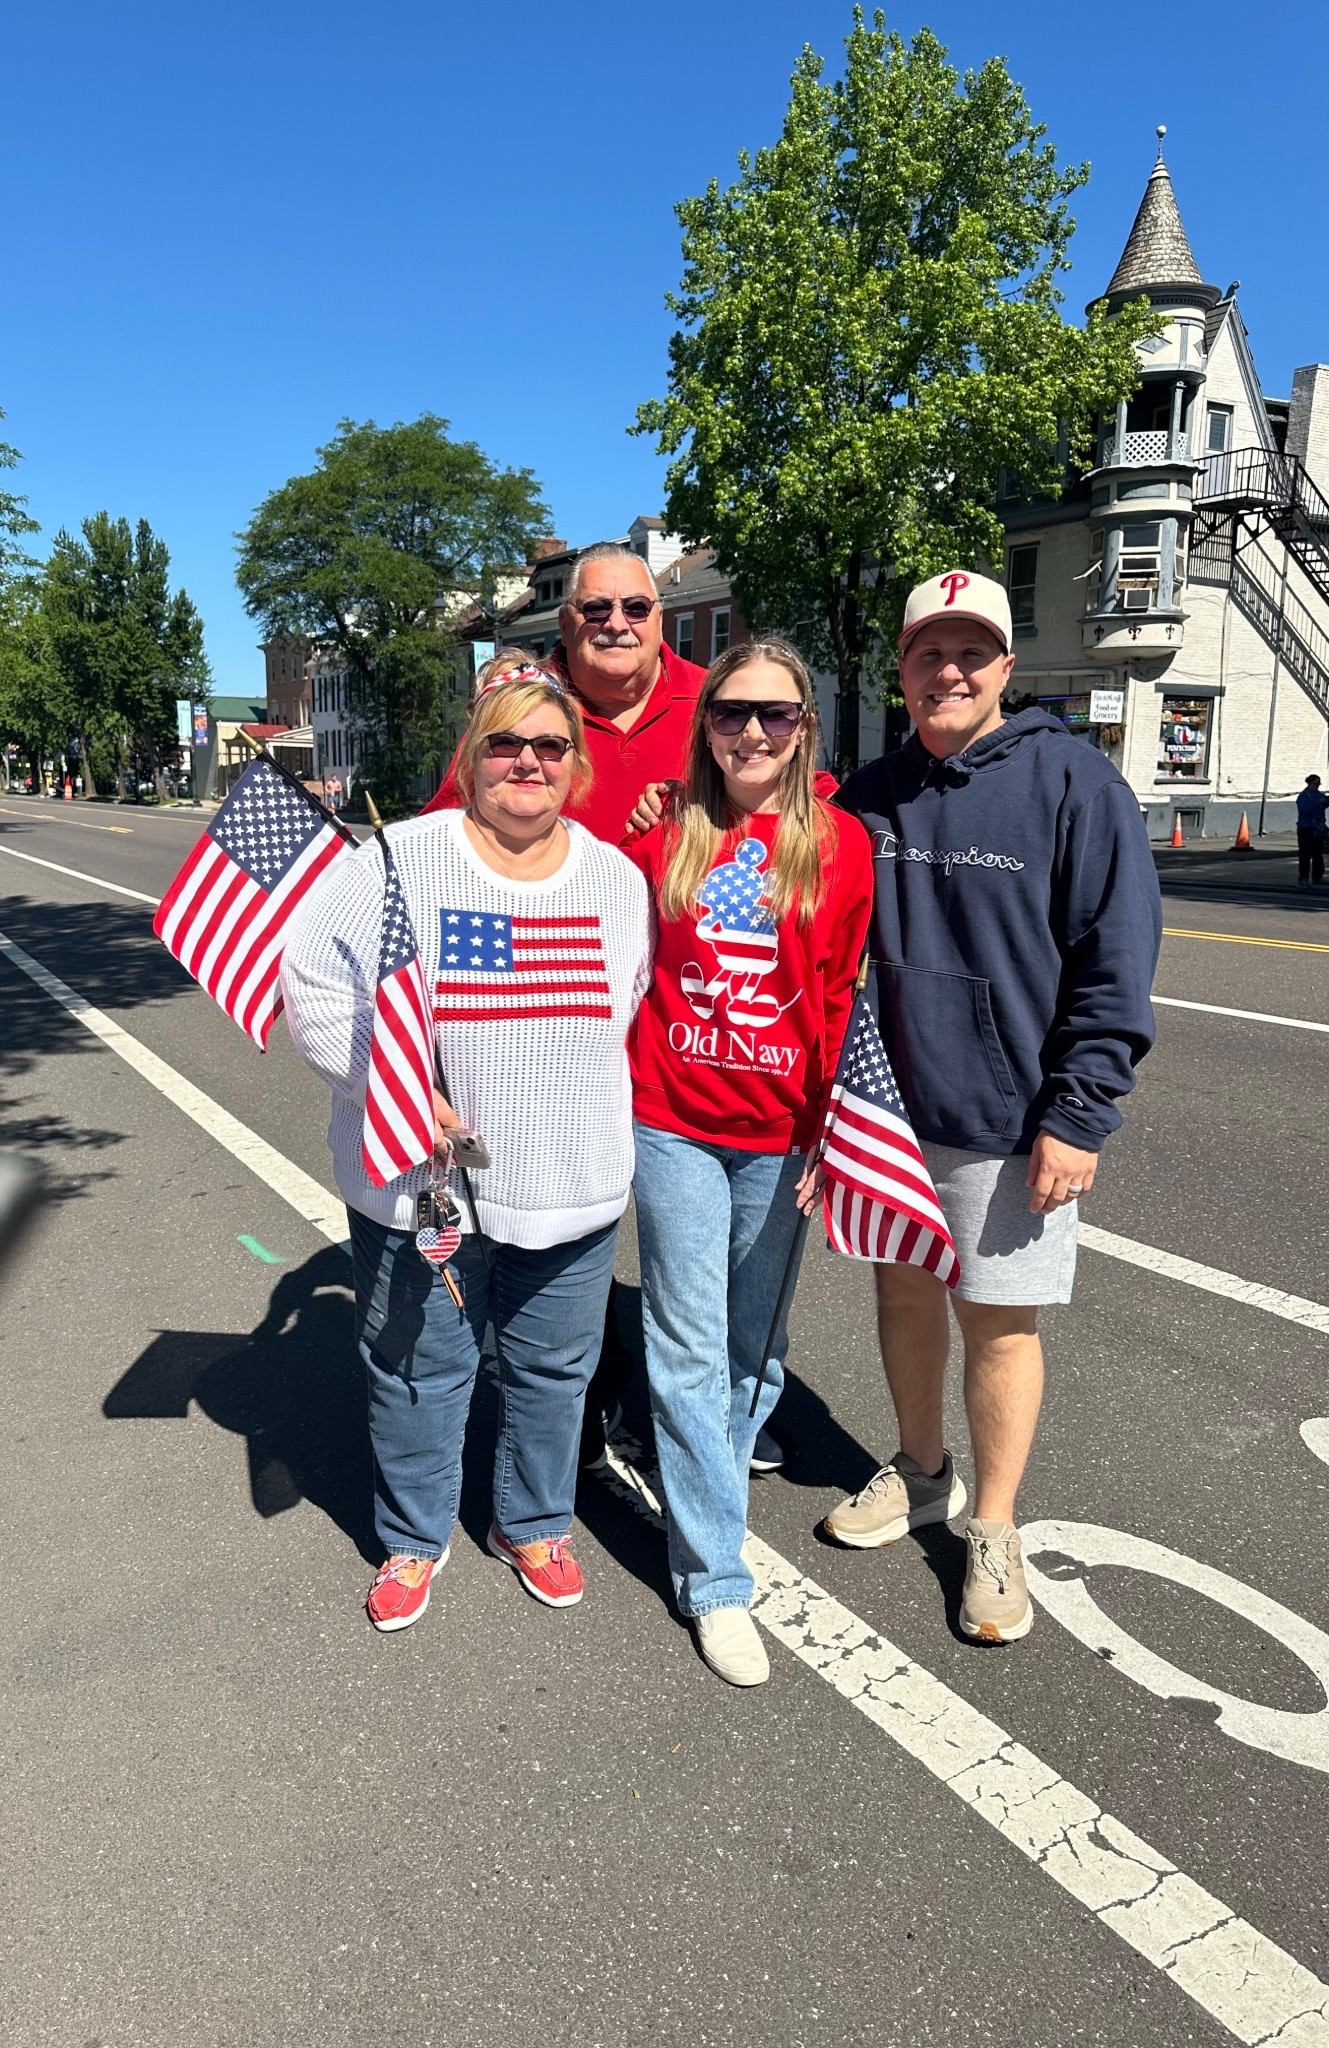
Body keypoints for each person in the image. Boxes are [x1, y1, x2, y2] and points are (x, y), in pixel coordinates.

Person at [280, 657, 652, 1632]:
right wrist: (388, 1083)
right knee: (416, 1367)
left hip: (570, 1184)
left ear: (576, 768)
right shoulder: (396, 861)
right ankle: (414, 1535)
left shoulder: (615, 881)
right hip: (421, 1181)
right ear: (470, 755)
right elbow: (311, 981)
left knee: (550, 1368)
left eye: (549, 745)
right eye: (505, 742)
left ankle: (530, 1523)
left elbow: (620, 1005)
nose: (526, 760)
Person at [827, 570, 1162, 1644]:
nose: (951, 669)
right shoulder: (867, 795)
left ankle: (996, 1527)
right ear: (904, 666)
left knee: (999, 1324)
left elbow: (1116, 959)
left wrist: (1082, 1109)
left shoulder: (1073, 782)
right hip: (889, 1115)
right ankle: (921, 1469)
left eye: (972, 651)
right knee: (904, 1300)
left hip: (1013, 1121)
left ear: (1006, 668)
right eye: (931, 651)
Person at [423, 546, 788, 1473]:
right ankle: (578, 1397)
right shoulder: (526, 712)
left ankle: (702, 1405)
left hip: (693, 1035)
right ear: (566, 621)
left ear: (660, 614)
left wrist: (703, 816)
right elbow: (441, 836)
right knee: (559, 1230)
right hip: (555, 1032)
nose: (615, 623)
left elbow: (796, 804)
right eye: (594, 610)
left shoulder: (718, 706)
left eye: (635, 605)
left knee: (693, 1251)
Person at [627, 640, 874, 1685]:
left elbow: (843, 998)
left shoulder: (843, 845)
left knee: (752, 1350)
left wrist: (831, 1133)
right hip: (673, 1117)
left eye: (775, 715)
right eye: (732, 713)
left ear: (805, 723)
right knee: (686, 1343)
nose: (753, 733)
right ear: (707, 723)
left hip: (781, 1134)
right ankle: (716, 1576)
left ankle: (708, 1507)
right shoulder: (664, 836)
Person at [1296, 773, 1326, 888]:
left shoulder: (1318, 794)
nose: (1317, 786)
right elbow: (1303, 810)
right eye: (1315, 783)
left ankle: (1318, 877)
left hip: (1317, 828)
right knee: (1305, 854)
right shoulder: (1304, 796)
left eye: (1319, 784)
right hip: (1305, 828)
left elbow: (1323, 806)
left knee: (1318, 854)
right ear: (1309, 783)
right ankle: (1303, 878)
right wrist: (1318, 802)